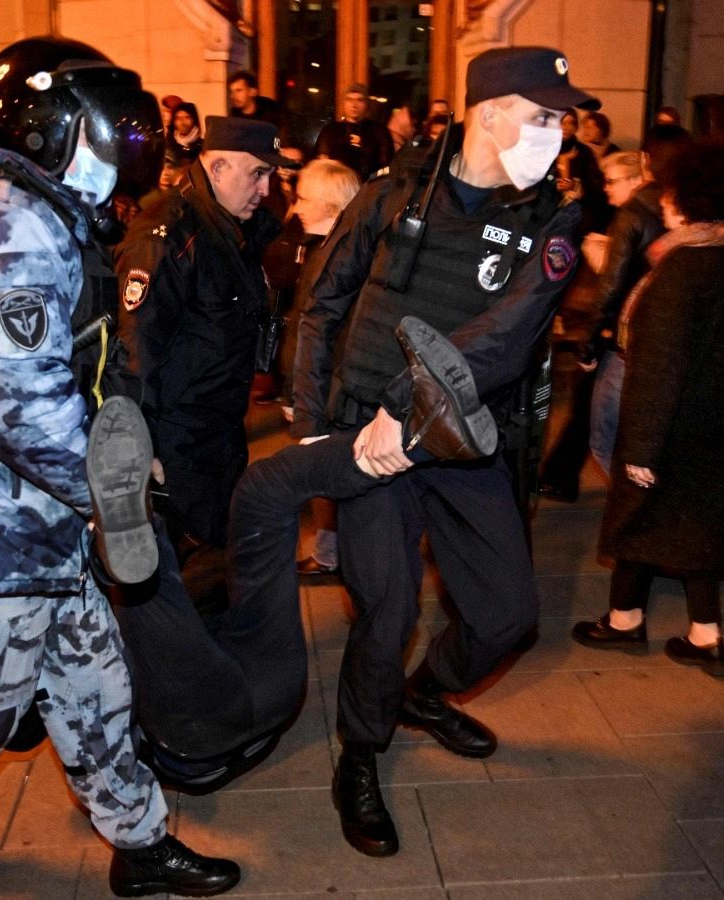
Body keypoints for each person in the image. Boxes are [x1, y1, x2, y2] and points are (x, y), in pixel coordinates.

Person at [0, 37, 238, 896]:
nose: (122, 157)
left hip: (33, 517)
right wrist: (115, 503)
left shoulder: (35, 210)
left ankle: (140, 845)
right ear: (45, 129)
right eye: (107, 135)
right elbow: (25, 406)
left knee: (96, 683)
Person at [290, 47, 591, 856]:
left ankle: (423, 694)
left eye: (562, 119)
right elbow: (322, 303)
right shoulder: (393, 192)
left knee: (508, 615)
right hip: (367, 439)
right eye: (543, 116)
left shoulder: (551, 220)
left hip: (459, 439)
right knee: (385, 611)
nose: (556, 134)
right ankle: (361, 751)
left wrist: (407, 406)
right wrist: (315, 429)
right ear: (487, 112)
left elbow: (508, 335)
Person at [108, 115, 293, 776]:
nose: (266, 188)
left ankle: (207, 686)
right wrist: (140, 443)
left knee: (214, 552)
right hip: (175, 437)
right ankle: (164, 713)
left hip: (220, 430)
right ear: (216, 166)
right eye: (257, 173)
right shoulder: (167, 232)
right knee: (173, 576)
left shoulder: (232, 226)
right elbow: (136, 346)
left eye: (272, 175)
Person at [571, 139, 724, 675]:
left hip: (671, 424)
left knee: (639, 513)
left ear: (687, 203)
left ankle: (628, 621)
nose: (666, 204)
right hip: (716, 420)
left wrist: (642, 450)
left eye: (672, 195)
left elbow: (657, 368)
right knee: (691, 527)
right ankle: (692, 632)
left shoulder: (678, 272)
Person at [537, 124, 689, 499]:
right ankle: (563, 476)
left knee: (602, 429)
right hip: (657, 335)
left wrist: (588, 344)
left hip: (621, 336)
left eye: (613, 181)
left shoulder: (634, 215)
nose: (606, 188)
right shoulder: (680, 208)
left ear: (644, 165)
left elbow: (612, 287)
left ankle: (635, 505)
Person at [281, 159, 362, 576]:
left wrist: (305, 398)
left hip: (331, 395)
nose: (296, 208)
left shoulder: (342, 260)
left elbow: (327, 340)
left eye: (303, 198)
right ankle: (332, 554)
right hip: (318, 391)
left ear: (331, 205)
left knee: (331, 482)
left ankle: (342, 558)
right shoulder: (322, 249)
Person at [314, 84, 395, 181]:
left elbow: (386, 165)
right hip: (337, 186)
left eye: (359, 100)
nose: (354, 105)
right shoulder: (330, 131)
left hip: (369, 187)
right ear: (343, 103)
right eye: (349, 99)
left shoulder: (379, 131)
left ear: (366, 104)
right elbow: (322, 162)